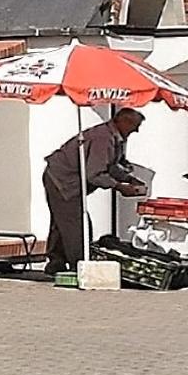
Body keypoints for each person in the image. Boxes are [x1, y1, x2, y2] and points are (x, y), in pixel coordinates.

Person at [41, 105, 144, 278]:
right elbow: (94, 174)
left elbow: (110, 166)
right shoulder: (103, 138)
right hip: (62, 180)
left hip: (64, 178)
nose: (136, 131)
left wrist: (128, 179)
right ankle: (79, 264)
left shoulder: (113, 137)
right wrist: (119, 187)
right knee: (77, 223)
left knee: (62, 221)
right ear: (123, 121)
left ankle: (56, 262)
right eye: (135, 126)